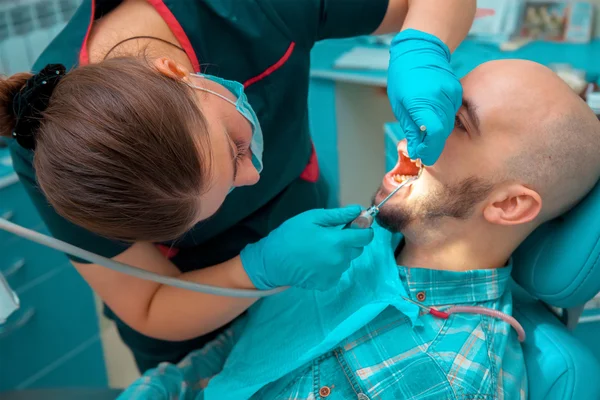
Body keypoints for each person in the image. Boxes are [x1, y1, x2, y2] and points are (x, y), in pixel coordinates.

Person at [0, 0, 475, 372]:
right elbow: (147, 302)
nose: (252, 176)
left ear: (173, 71)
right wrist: (258, 269)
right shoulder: (54, 151)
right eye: (223, 193)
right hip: (196, 326)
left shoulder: (245, 6)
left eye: (235, 146)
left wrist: (422, 47)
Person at [117, 59, 600, 399]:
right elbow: (228, 362)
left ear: (511, 204)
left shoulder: (447, 380)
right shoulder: (352, 254)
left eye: (456, 122)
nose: (417, 126)